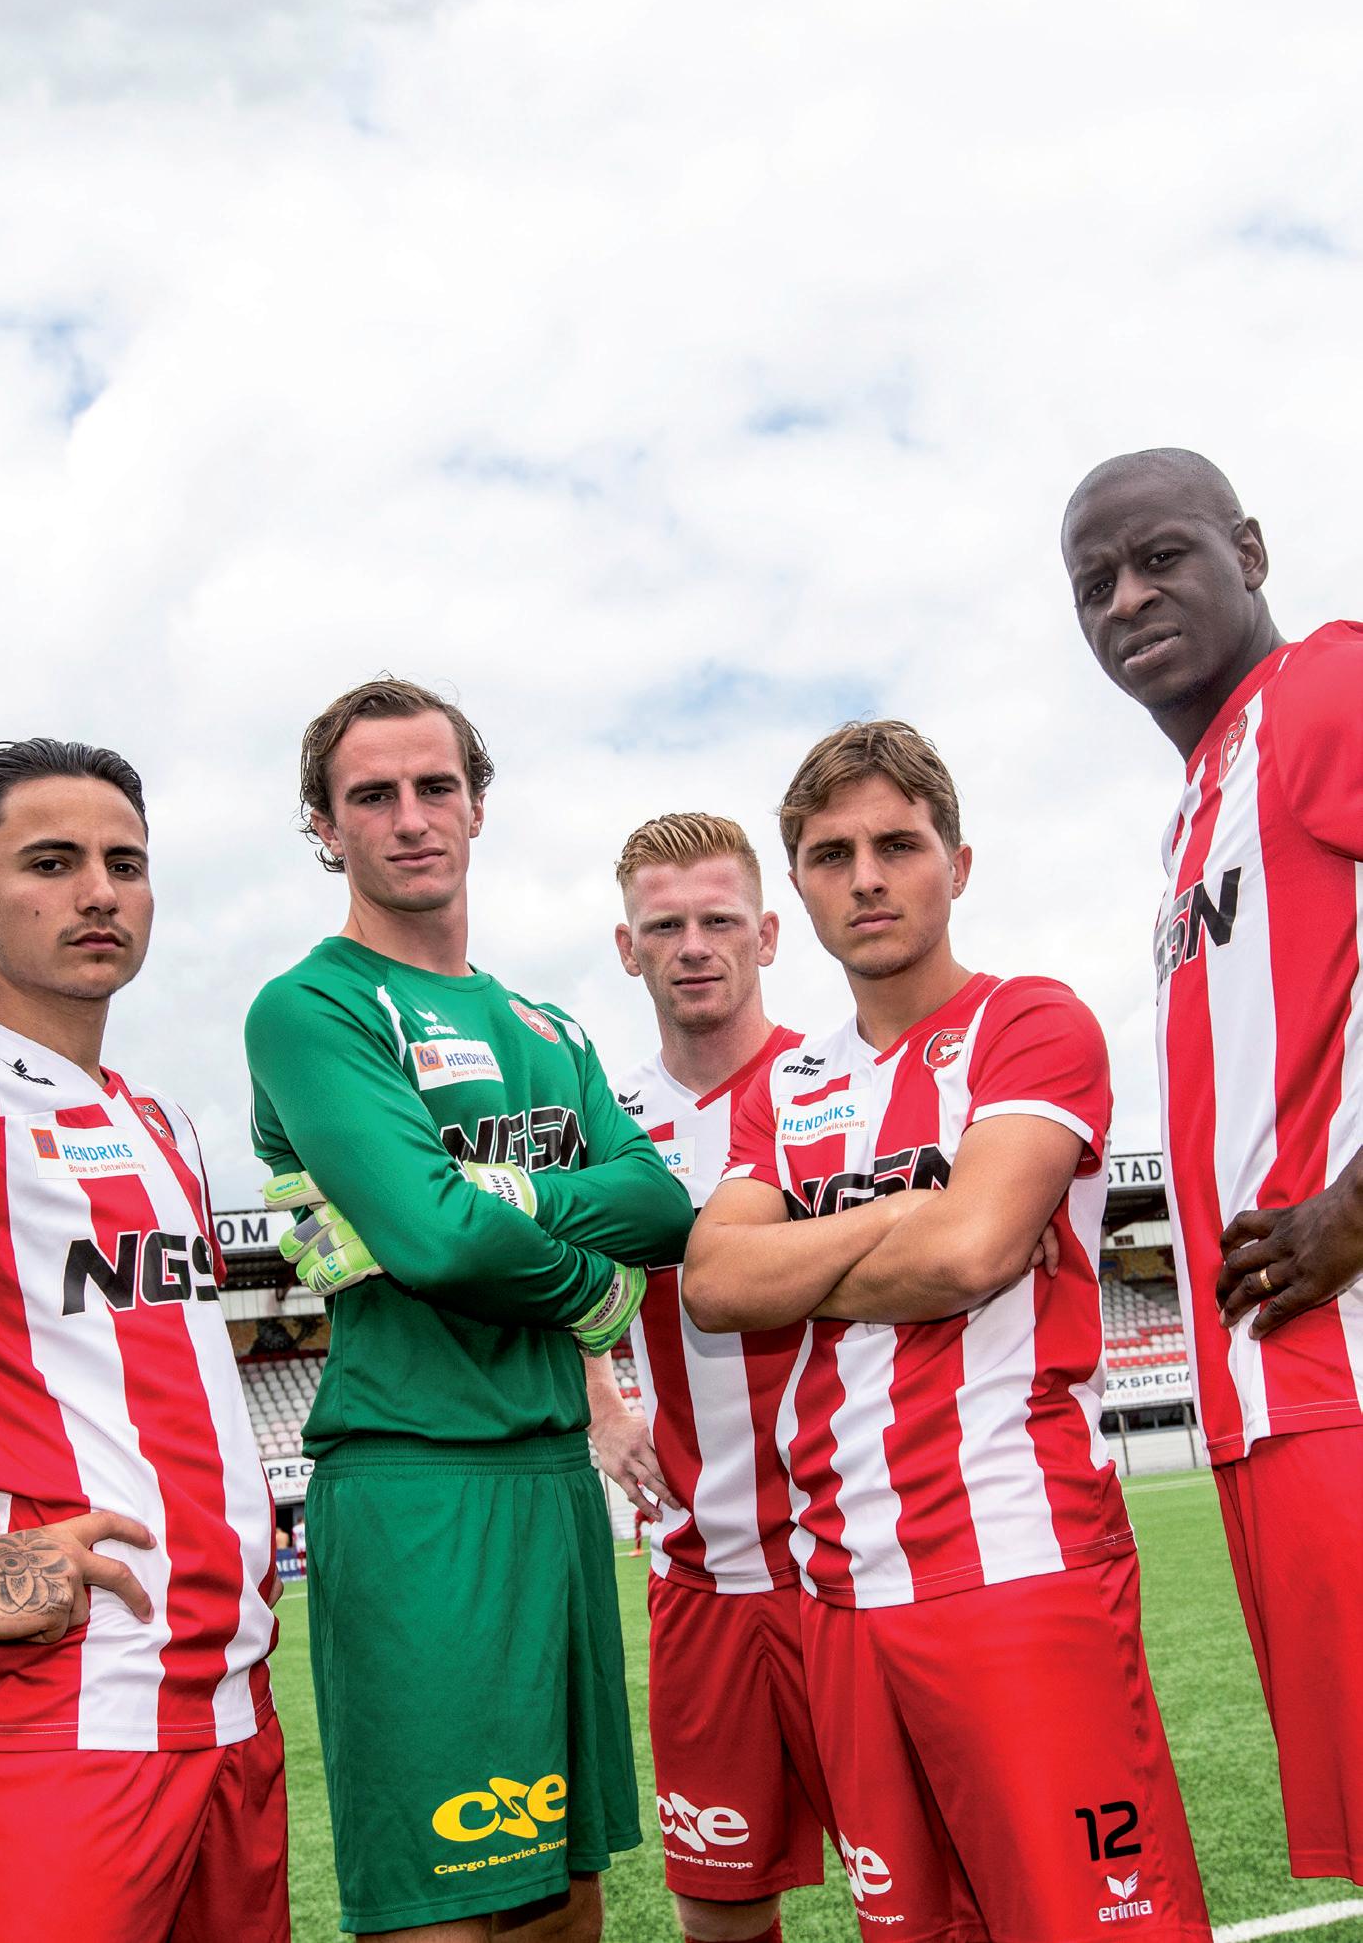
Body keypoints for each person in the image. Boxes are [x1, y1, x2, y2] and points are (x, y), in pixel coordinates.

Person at [683, 720, 1210, 1942]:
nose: (865, 878)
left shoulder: (1029, 1021)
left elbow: (971, 1256)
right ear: (798, 887)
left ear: (955, 865)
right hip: (838, 1588)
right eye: (830, 855)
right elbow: (712, 1285)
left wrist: (815, 1253)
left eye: (897, 845)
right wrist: (908, 1213)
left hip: (1015, 1566)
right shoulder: (784, 1086)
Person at [244, 678, 693, 1943]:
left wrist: (489, 1192)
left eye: (434, 786)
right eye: (370, 795)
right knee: (443, 1907)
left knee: (565, 1897)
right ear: (324, 825)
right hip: (414, 1479)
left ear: (477, 806)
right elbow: (437, 1245)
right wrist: (594, 1291)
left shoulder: (547, 1025)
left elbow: (659, 1207)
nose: (409, 818)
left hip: (555, 1480)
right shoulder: (313, 1007)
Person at [1062, 447, 1363, 1884]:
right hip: (1272, 1395)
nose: (1125, 599)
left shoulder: (1322, 690)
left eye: (1159, 556)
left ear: (1246, 550)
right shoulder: (1200, 795)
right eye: (1092, 585)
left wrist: (1358, 1203)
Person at [0, 737, 286, 1942]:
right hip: (62, 1712)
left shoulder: (162, 1125)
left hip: (232, 1707)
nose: (98, 892)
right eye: (50, 862)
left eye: (125, 863)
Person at [584, 812, 836, 1943]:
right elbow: (545, 1269)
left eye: (720, 921)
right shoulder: (602, 1123)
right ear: (626, 948)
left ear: (767, 935)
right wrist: (601, 1400)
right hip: (698, 1568)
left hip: (857, 1558)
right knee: (718, 1910)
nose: (693, 946)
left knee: (927, 1887)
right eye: (664, 926)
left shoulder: (840, 1085)